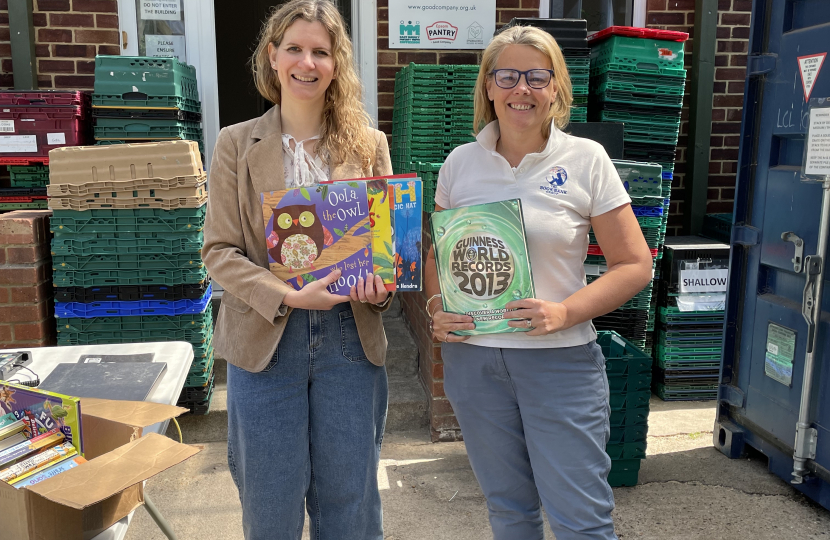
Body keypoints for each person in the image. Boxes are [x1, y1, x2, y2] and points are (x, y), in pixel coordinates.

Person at [424, 26, 654, 540]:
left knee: (582, 520)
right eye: (506, 75)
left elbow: (635, 264)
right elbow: (438, 251)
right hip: (475, 362)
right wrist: (437, 307)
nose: (520, 88)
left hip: (559, 362)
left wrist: (565, 312)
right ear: (488, 86)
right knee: (508, 511)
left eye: (536, 76)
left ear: (556, 87)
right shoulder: (460, 163)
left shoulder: (586, 160)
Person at [202, 1, 393, 539]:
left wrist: (379, 288)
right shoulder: (235, 144)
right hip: (266, 341)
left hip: (348, 343)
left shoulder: (369, 143)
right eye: (294, 48)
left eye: (320, 51)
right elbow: (218, 250)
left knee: (350, 502)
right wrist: (285, 294)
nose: (306, 62)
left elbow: (384, 252)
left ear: (337, 64)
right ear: (272, 56)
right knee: (269, 503)